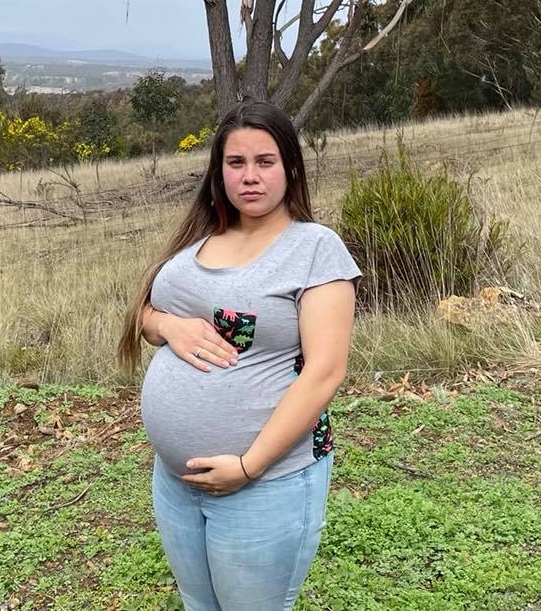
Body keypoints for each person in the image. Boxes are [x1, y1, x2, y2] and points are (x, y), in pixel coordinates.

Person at [117, 100, 361, 610]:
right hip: (175, 480)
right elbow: (143, 311)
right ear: (218, 171)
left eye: (265, 162)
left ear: (290, 168)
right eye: (236, 163)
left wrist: (249, 466)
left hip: (264, 482)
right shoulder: (202, 236)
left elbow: (325, 372)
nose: (250, 177)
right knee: (199, 604)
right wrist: (166, 325)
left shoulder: (314, 249)